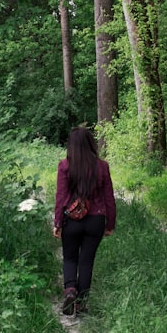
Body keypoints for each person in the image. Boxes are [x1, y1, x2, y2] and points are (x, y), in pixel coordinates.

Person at [53, 126, 116, 316]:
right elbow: (109, 198)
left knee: (70, 257)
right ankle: (81, 303)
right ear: (91, 144)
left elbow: (61, 197)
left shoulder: (65, 166)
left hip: (71, 220)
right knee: (86, 262)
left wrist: (57, 222)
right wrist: (110, 224)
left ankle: (70, 289)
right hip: (95, 220)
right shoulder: (102, 166)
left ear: (71, 146)